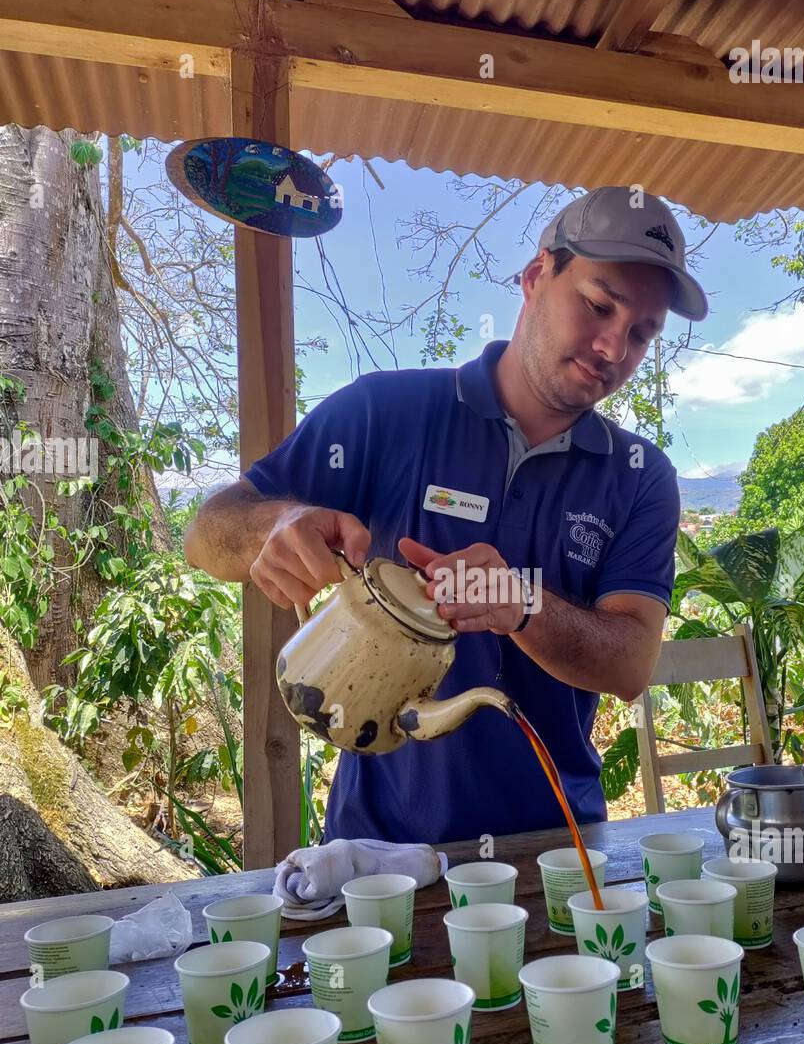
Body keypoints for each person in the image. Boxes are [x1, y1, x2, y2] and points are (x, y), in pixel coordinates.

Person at [185, 186, 708, 844]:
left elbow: (630, 665)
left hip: (553, 850)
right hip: (377, 855)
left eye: (641, 334)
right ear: (536, 275)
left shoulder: (640, 476)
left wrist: (519, 601)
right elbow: (207, 533)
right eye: (600, 305)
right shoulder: (384, 412)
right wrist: (275, 526)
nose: (613, 347)